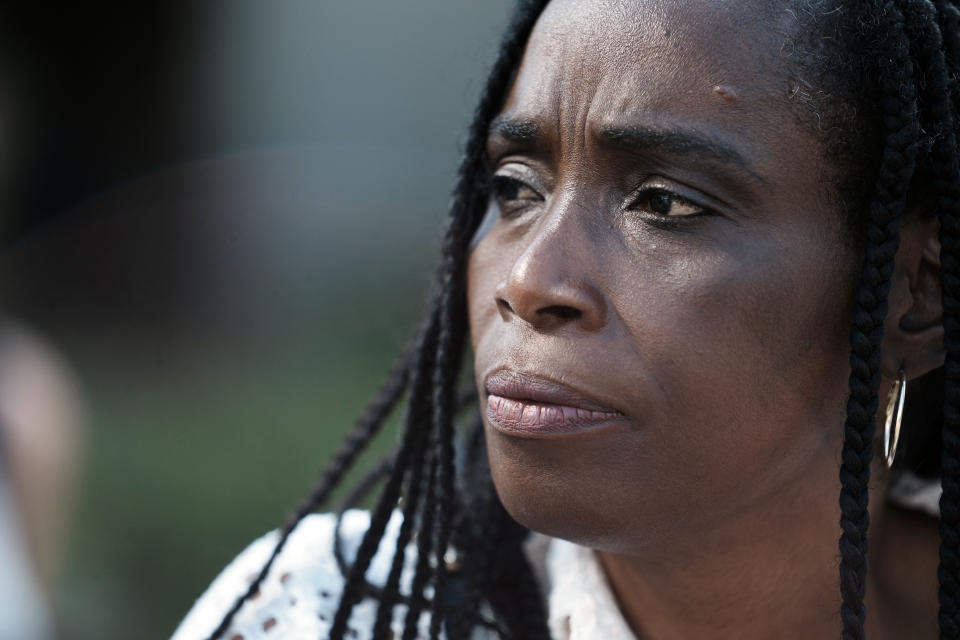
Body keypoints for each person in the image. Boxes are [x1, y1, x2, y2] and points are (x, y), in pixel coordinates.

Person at [172, 0, 960, 637]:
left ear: (915, 294)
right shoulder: (323, 614)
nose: (528, 279)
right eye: (516, 187)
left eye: (665, 204)